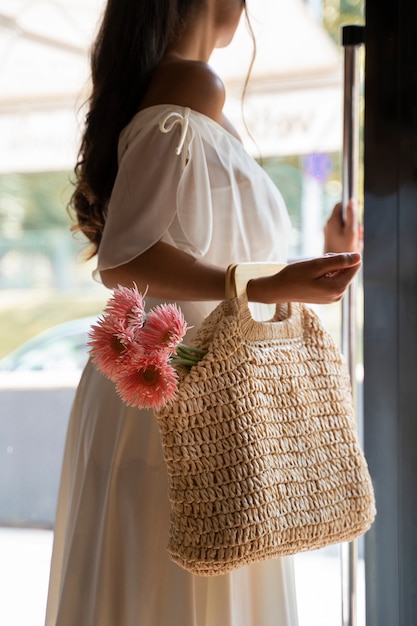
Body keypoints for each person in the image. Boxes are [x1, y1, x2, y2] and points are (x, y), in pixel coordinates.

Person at [45, 1, 361, 625]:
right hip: (188, 400)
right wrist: (271, 284)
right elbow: (127, 257)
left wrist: (310, 261)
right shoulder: (193, 82)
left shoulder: (165, 90)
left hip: (172, 386)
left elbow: (192, 251)